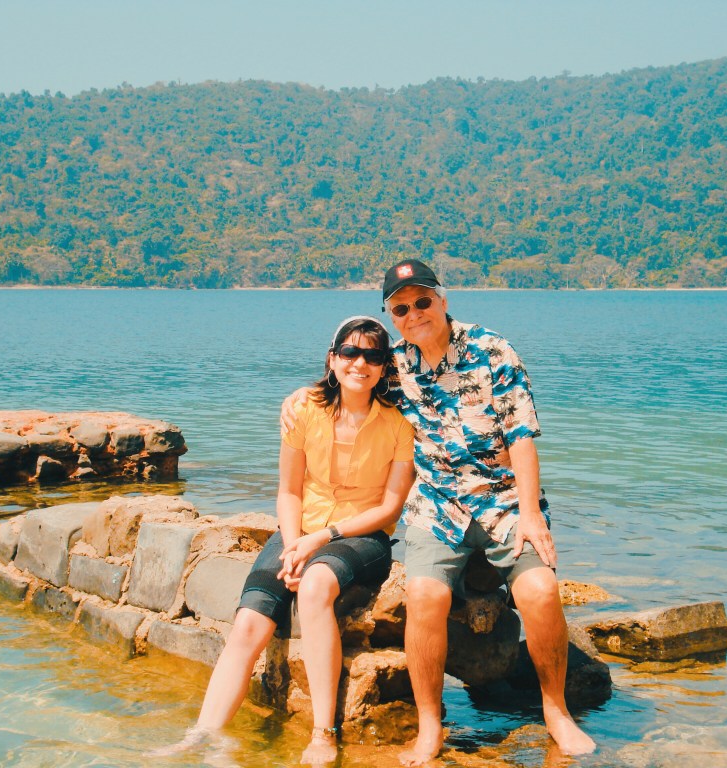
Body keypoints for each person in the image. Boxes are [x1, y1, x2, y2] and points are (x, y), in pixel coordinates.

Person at [283, 260, 596, 764]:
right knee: (425, 595)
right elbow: (349, 381)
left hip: (503, 500)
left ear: (443, 300)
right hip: (437, 505)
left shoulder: (492, 351)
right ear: (393, 316)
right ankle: (430, 725)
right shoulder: (395, 364)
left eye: (422, 301)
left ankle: (555, 711)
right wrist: (303, 394)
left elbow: (521, 437)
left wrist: (532, 515)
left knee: (540, 591)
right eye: (401, 308)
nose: (413, 314)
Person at [150, 316, 414, 765]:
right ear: (332, 359)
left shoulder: (399, 423)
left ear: (385, 366)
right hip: (299, 529)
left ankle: (323, 733)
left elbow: (389, 510)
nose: (360, 363)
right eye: (350, 352)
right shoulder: (303, 409)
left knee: (314, 587)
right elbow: (289, 492)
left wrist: (320, 540)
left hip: (362, 536)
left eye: (373, 355)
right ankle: (205, 735)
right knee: (250, 621)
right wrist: (293, 545)